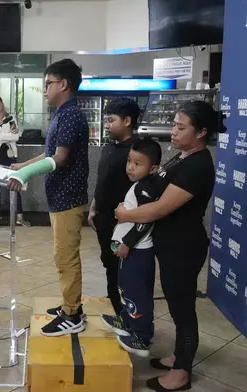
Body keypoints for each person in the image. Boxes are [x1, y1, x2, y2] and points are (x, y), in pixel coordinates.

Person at [115, 101, 223, 392]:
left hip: (183, 248)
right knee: (178, 307)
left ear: (201, 132)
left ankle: (182, 372)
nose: (173, 131)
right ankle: (179, 356)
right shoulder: (183, 156)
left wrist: (125, 214)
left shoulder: (199, 166)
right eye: (174, 124)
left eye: (181, 127)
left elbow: (159, 209)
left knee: (183, 310)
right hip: (170, 245)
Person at [7, 58, 89, 336]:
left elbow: (61, 159)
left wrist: (25, 176)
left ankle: (73, 314)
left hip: (68, 198)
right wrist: (24, 166)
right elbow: (52, 153)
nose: (44, 90)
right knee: (61, 256)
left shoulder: (71, 115)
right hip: (59, 197)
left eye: (48, 84)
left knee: (66, 257)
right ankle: (69, 304)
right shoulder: (61, 114)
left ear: (63, 84)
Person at [101, 138, 162, 358]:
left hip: (138, 252)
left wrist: (126, 242)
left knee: (137, 294)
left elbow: (145, 221)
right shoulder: (139, 186)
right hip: (131, 252)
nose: (130, 167)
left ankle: (142, 337)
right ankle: (126, 322)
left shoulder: (145, 189)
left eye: (138, 164)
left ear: (152, 168)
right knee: (126, 289)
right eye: (129, 161)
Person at [88, 98, 142, 316]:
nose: (107, 125)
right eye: (106, 121)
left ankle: (129, 315)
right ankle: (115, 308)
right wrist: (93, 207)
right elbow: (102, 180)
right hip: (103, 218)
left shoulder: (138, 152)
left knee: (125, 270)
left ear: (127, 120)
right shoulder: (109, 147)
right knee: (109, 265)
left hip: (124, 223)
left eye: (111, 120)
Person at [0, 94, 29, 226]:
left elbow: (16, 136)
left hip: (9, 154)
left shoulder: (10, 118)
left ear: (2, 102)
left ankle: (19, 215)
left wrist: (0, 136)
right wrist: (7, 136)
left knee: (14, 184)